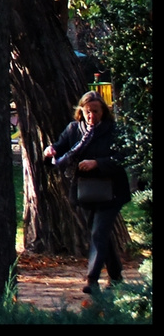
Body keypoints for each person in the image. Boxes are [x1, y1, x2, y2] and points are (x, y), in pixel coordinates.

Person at [43, 90, 131, 293]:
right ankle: (116, 276)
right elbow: (58, 148)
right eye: (87, 111)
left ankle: (92, 280)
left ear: (104, 111)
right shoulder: (74, 129)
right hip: (85, 193)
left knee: (98, 232)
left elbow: (124, 157)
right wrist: (50, 152)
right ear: (81, 111)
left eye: (96, 111)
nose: (91, 116)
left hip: (112, 191)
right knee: (100, 235)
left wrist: (98, 163)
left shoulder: (113, 130)